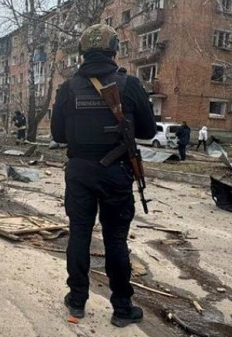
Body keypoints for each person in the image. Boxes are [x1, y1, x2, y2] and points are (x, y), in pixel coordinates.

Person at [50, 24, 156, 328]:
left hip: (79, 172)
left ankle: (77, 301)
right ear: (114, 50)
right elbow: (148, 131)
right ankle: (122, 308)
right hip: (116, 173)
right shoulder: (130, 84)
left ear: (83, 52)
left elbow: (58, 134)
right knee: (115, 240)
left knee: (79, 234)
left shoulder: (67, 88)